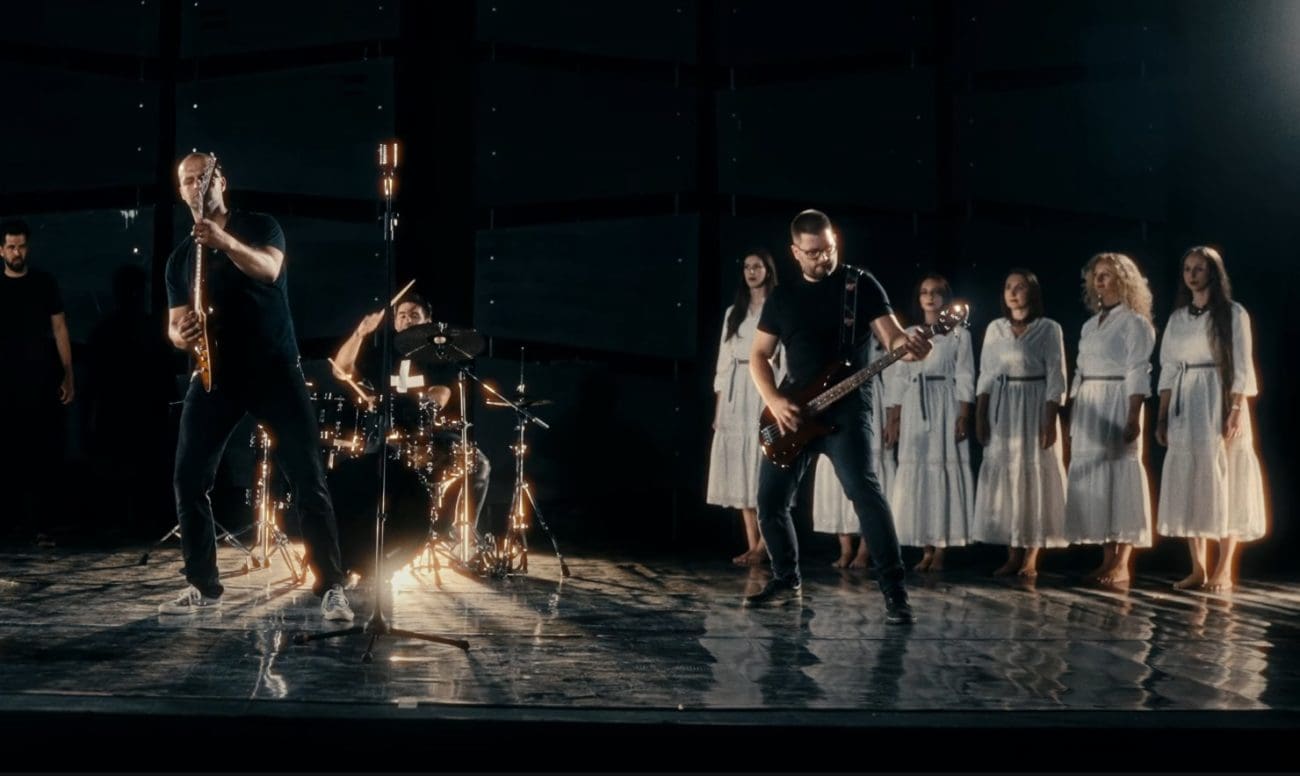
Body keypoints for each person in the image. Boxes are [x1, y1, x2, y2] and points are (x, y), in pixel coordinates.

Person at [161, 152, 353, 621]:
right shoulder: (181, 258)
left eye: (203, 178)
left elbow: (269, 269)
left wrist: (223, 240)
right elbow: (174, 326)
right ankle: (202, 585)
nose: (196, 186)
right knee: (188, 479)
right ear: (181, 191)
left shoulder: (260, 226)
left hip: (274, 371)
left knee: (308, 478)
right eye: (187, 181)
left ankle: (331, 586)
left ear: (220, 181)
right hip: (214, 377)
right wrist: (181, 334)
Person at [747, 209, 931, 624]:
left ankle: (895, 593)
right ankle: (786, 580)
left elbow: (893, 338)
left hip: (848, 408)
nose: (823, 259)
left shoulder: (859, 284)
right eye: (813, 253)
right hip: (794, 412)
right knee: (769, 502)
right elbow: (759, 356)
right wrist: (774, 401)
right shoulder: (783, 298)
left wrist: (912, 346)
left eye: (829, 249)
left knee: (865, 494)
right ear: (796, 252)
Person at [331, 292, 492, 549]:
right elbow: (340, 371)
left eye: (414, 315)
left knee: (479, 464)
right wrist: (360, 333)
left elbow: (441, 393)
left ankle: (458, 532)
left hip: (429, 432)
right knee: (363, 472)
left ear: (428, 321)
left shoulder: (440, 355)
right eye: (402, 315)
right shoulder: (382, 353)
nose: (407, 320)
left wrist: (420, 409)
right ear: (395, 322)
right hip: (385, 431)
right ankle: (364, 538)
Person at [1156, 246, 1267, 592]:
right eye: (1187, 268)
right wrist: (1161, 417)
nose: (1192, 275)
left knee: (1226, 476)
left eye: (1199, 269)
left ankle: (1224, 568)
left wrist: (1235, 409)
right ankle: (1198, 568)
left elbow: (1243, 365)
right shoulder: (1178, 318)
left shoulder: (1233, 313)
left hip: (1218, 398)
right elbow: (1168, 369)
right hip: (1186, 401)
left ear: (1213, 273)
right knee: (1192, 478)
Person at [1064, 252, 1156, 587]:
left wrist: (1133, 415)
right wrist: (1074, 411)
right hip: (1090, 403)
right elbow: (1079, 371)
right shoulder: (1090, 326)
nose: (1099, 280)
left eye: (1106, 275)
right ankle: (1106, 558)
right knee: (1098, 477)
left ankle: (1122, 562)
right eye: (1096, 275)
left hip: (1118, 399)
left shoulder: (1135, 323)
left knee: (1120, 474)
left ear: (1123, 280)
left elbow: (1138, 370)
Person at [971, 270, 1069, 577]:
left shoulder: (1049, 329)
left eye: (1020, 287)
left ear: (1032, 292)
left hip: (1034, 405)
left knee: (1033, 474)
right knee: (1006, 476)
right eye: (1008, 287)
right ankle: (1012, 553)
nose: (1013, 293)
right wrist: (980, 415)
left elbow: (1056, 376)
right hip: (1003, 408)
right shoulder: (995, 328)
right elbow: (986, 374)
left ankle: (1031, 557)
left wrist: (1049, 419)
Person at [887, 273, 974, 571]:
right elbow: (899, 378)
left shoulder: (959, 334)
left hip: (944, 403)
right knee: (920, 472)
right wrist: (894, 418)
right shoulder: (909, 333)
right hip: (915, 404)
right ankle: (925, 548)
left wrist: (963, 414)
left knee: (941, 469)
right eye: (924, 292)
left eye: (936, 292)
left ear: (945, 298)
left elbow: (965, 374)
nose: (930, 297)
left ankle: (940, 549)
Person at [0, 218, 74, 546]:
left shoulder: (44, 283)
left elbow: (60, 328)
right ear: (1, 250)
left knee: (43, 454)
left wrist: (68, 373)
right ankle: (12, 525)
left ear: (27, 248)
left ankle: (43, 525)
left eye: (21, 246)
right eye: (11, 247)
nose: (17, 252)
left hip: (40, 380)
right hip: (6, 384)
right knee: (9, 453)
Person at [706, 250, 781, 566]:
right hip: (736, 391)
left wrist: (777, 397)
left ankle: (766, 544)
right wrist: (719, 407)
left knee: (760, 461)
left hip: (762, 385)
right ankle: (753, 544)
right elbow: (724, 361)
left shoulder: (776, 307)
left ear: (768, 270)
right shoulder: (733, 312)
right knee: (738, 465)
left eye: (757, 266)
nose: (751, 272)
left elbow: (783, 355)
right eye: (747, 267)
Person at [812, 332, 898, 570]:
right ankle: (846, 548)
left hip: (869, 399)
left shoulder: (878, 340)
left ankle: (864, 549)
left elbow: (893, 380)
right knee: (836, 470)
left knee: (866, 470)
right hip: (835, 397)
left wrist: (892, 418)